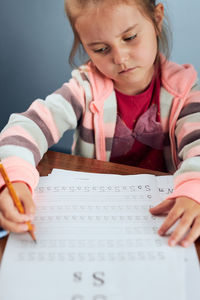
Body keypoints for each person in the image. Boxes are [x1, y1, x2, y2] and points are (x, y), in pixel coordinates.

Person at [0, 0, 200, 248]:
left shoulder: (185, 91)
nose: (120, 57)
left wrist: (195, 188)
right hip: (95, 213)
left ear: (157, 20)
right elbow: (26, 127)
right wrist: (16, 178)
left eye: (130, 37)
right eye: (101, 49)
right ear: (84, 46)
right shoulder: (84, 89)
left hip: (161, 213)